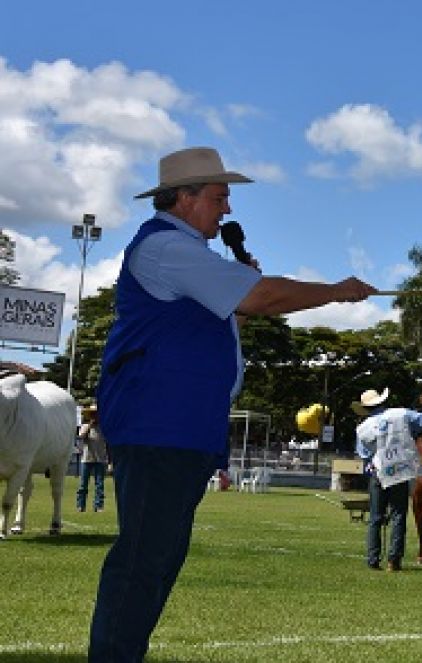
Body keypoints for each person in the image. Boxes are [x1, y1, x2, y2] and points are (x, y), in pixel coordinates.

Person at [89, 146, 377, 663]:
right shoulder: (166, 249)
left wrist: (241, 295)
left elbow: (232, 319)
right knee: (144, 559)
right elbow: (262, 299)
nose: (227, 211)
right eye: (220, 197)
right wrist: (336, 291)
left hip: (179, 426)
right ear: (184, 198)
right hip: (160, 424)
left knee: (156, 558)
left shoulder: (188, 257)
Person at [353, 389, 422, 571]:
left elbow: (364, 453)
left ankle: (373, 558)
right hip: (400, 470)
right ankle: (394, 560)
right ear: (382, 401)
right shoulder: (401, 413)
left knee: (376, 517)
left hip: (378, 471)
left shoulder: (363, 427)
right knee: (399, 515)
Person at [76, 407, 109, 513]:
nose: (95, 417)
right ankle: (81, 505)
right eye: (93, 414)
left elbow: (108, 444)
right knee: (83, 485)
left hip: (100, 460)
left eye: (96, 415)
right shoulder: (85, 426)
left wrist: (109, 461)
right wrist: (89, 426)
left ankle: (98, 506)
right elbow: (81, 436)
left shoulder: (103, 428)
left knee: (99, 485)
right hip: (87, 459)